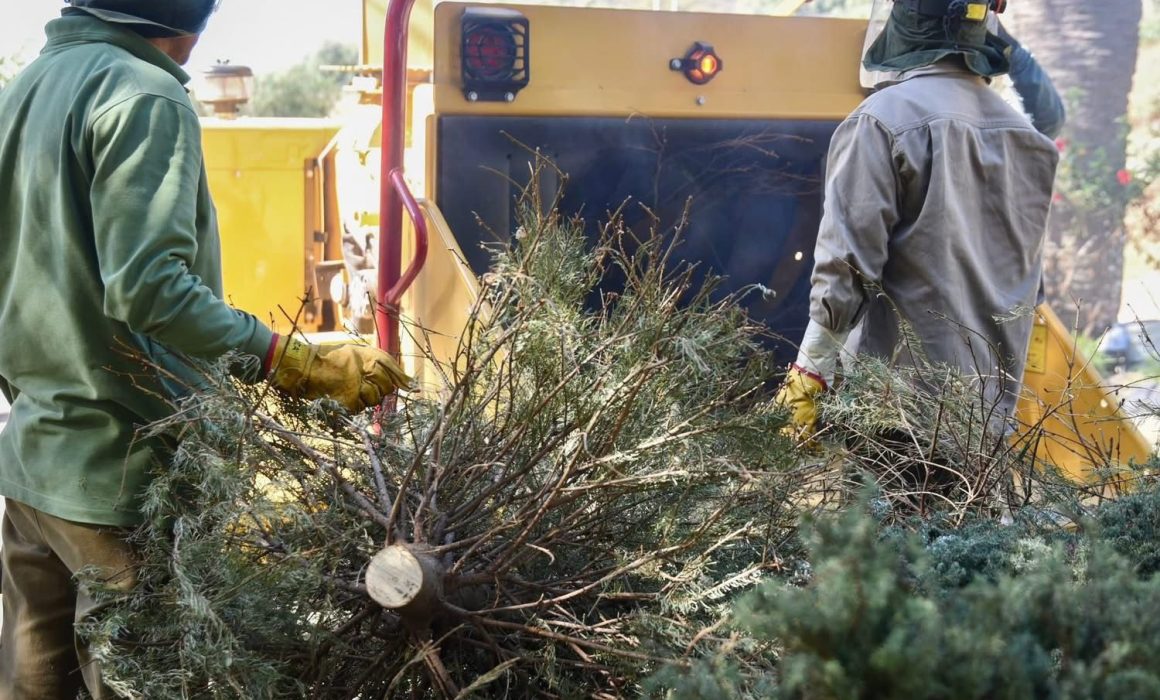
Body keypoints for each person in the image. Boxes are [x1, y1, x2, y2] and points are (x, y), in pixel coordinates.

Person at [0, 2, 410, 696]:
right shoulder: (144, 94)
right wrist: (286, 358)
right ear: (190, 22)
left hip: (34, 464)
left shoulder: (28, 89)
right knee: (144, 681)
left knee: (30, 686)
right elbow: (150, 289)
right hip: (122, 482)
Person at [775, 0, 1060, 439]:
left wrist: (809, 373)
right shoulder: (1029, 141)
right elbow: (1027, 289)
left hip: (896, 417)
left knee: (877, 510)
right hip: (987, 419)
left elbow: (847, 269)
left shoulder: (880, 121)